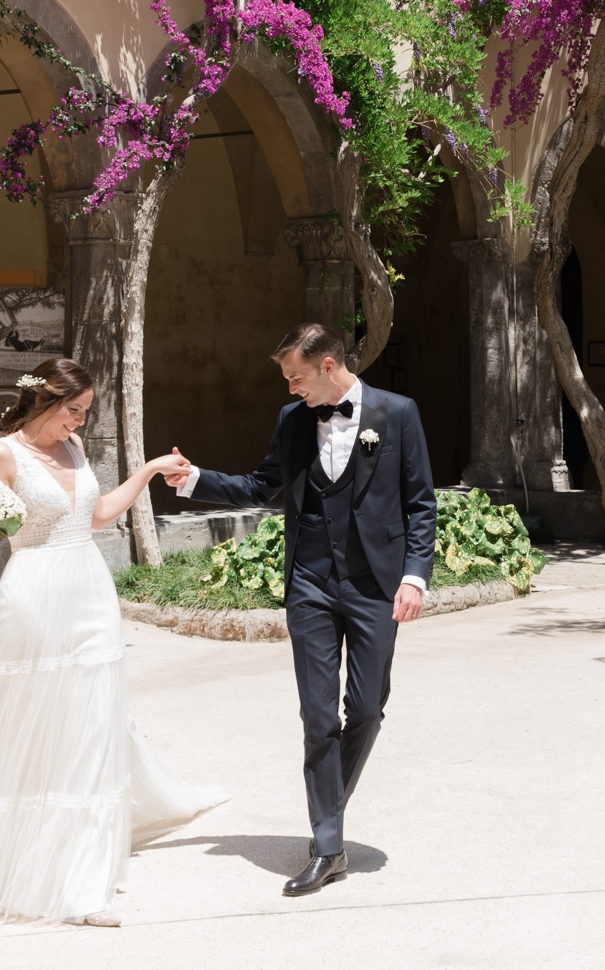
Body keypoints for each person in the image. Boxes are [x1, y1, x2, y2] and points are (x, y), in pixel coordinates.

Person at [0, 357, 226, 927]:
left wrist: (151, 470)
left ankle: (84, 875)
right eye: (73, 411)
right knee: (34, 721)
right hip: (34, 595)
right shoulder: (4, 454)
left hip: (89, 592)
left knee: (89, 724)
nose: (79, 423)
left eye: (85, 413)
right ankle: (33, 866)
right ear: (45, 401)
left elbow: (97, 515)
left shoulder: (77, 451)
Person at [156, 322, 436, 897]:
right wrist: (196, 480)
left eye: (297, 377)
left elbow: (420, 504)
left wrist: (414, 577)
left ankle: (328, 801)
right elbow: (261, 485)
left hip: (374, 586)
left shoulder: (398, 414)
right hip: (309, 583)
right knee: (317, 716)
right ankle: (328, 845)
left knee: (366, 709)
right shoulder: (292, 422)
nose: (290, 389)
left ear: (329, 365)